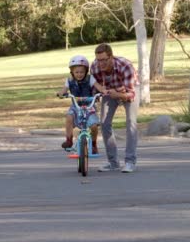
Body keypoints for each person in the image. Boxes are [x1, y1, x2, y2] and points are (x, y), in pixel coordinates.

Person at [90, 43, 139, 173]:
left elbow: (131, 94)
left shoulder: (125, 66)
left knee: (131, 123)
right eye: (98, 60)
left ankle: (130, 161)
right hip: (110, 91)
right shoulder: (94, 67)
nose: (101, 64)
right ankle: (113, 162)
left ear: (111, 57)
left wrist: (118, 94)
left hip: (128, 90)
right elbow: (95, 88)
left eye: (104, 60)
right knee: (105, 123)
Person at [56, 55, 105, 154]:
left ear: (86, 71)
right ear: (72, 72)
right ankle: (69, 140)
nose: (79, 74)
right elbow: (64, 89)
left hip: (89, 106)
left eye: (82, 72)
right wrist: (61, 93)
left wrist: (103, 91)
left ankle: (94, 144)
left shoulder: (90, 79)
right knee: (69, 117)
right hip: (76, 106)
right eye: (76, 72)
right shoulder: (69, 80)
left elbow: (99, 87)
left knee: (94, 126)